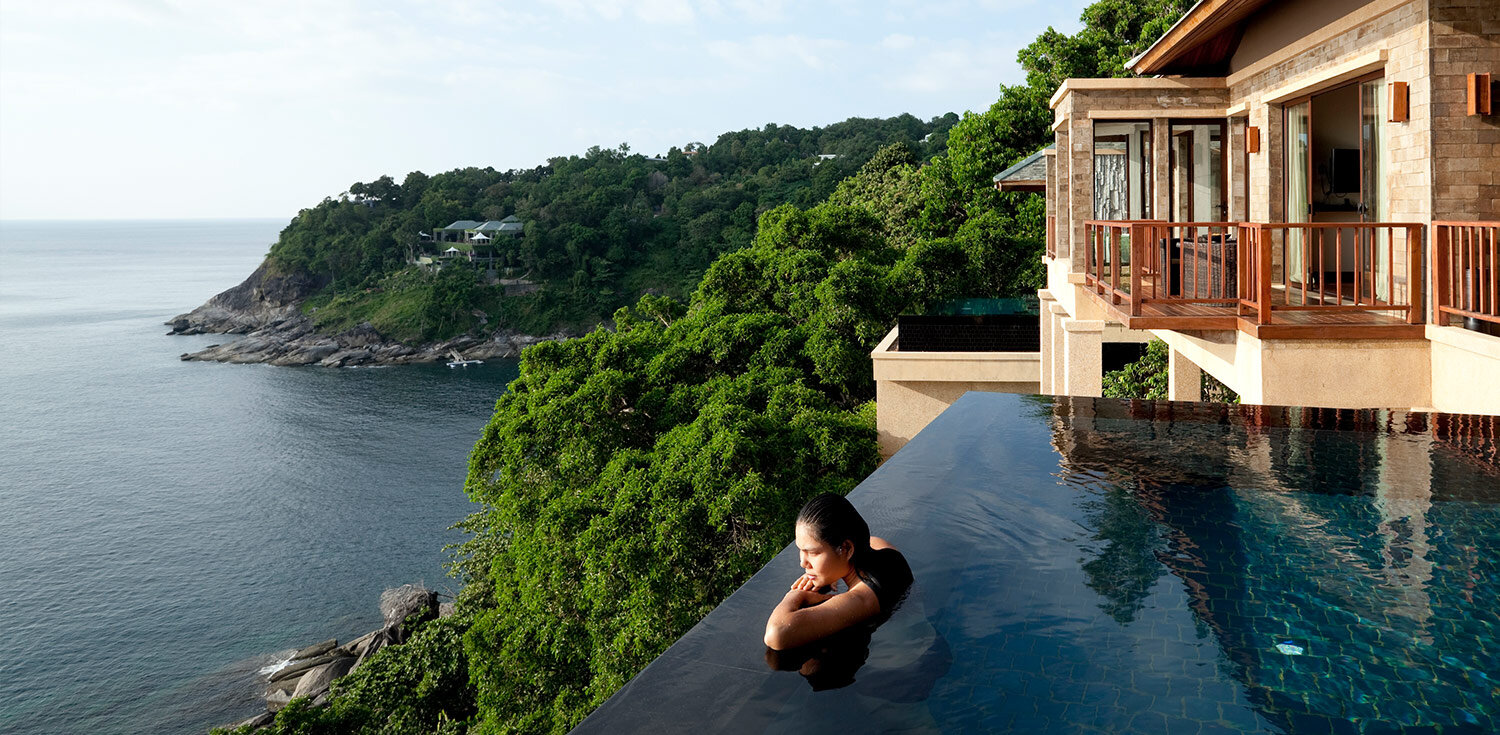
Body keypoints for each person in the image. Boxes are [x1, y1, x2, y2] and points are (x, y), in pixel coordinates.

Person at [763, 493, 912, 651]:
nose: (803, 562)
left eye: (813, 553)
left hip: (909, 663)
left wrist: (794, 595)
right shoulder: (886, 552)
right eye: (801, 550)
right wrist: (833, 569)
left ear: (847, 549)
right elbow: (866, 539)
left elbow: (776, 635)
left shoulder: (861, 599)